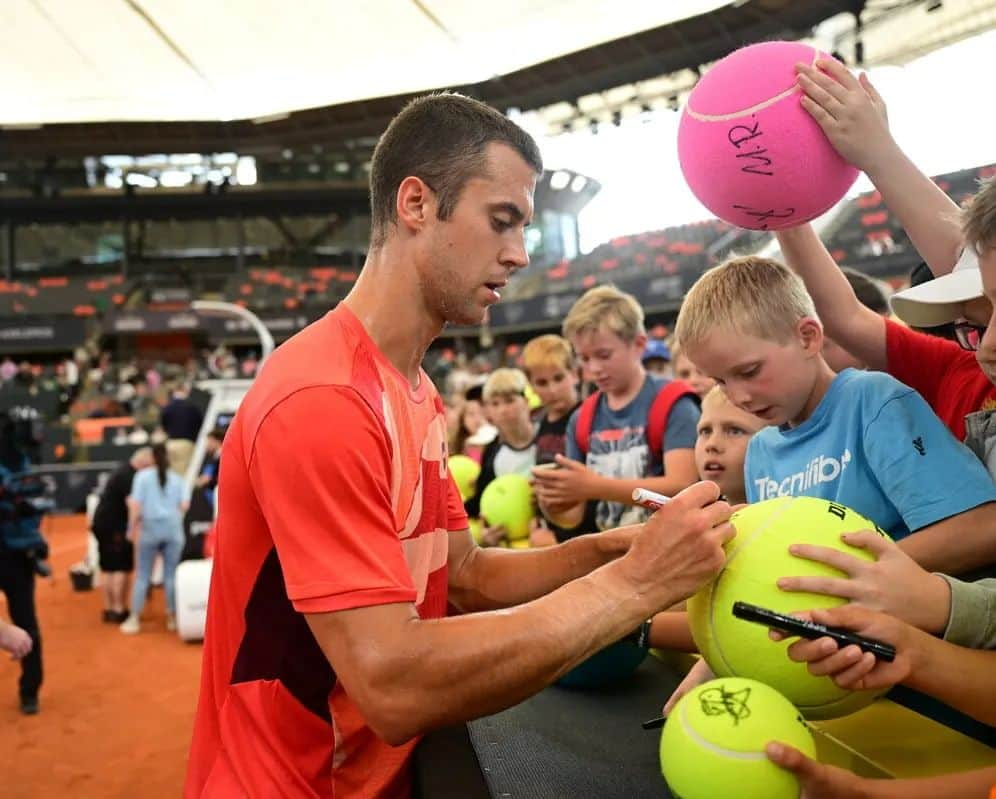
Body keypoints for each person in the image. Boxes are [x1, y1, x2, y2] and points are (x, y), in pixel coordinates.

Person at [184, 93, 734, 798]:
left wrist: (612, 549)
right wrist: (634, 586)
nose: (520, 253)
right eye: (501, 220)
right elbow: (393, 683)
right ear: (416, 203)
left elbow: (465, 575)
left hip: (368, 775)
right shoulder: (321, 398)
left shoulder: (413, 389)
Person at [674, 255, 996, 576]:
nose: (738, 397)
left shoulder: (873, 402)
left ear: (808, 337)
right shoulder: (759, 450)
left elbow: (977, 529)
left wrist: (837, 575)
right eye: (720, 381)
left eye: (750, 371)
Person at [532, 285, 700, 534]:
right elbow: (572, 517)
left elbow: (683, 486)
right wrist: (551, 501)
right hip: (611, 553)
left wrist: (596, 487)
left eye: (604, 355)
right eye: (585, 358)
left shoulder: (674, 403)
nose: (594, 368)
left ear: (638, 345)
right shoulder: (582, 418)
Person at [519, 334, 594, 546]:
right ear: (531, 386)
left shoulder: (589, 417)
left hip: (581, 537)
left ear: (574, 374)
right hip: (550, 528)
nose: (552, 390)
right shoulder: (540, 423)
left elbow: (597, 489)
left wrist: (561, 538)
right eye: (542, 382)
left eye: (558, 378)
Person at [0, 410, 48, 714]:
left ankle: (30, 690)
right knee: (25, 621)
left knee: (26, 622)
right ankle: (30, 690)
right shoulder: (19, 461)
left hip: (17, 553)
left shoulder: (19, 461)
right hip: (17, 552)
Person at [120, 443, 188, 635]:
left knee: (142, 575)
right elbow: (183, 505)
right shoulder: (177, 479)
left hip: (150, 529)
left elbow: (135, 506)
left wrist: (131, 529)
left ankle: (134, 618)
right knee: (170, 575)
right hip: (173, 529)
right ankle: (172, 618)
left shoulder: (142, 477)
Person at [464, 368, 538, 546]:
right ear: (488, 411)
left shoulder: (547, 439)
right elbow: (480, 501)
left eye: (510, 401)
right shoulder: (492, 452)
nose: (503, 410)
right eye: (495, 404)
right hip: (511, 543)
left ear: (526, 401)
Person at [91, 447, 154, 623]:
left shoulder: (122, 471)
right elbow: (132, 504)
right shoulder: (130, 476)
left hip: (103, 523)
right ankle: (119, 608)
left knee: (109, 567)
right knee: (120, 567)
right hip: (115, 527)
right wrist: (135, 526)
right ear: (144, 461)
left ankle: (110, 607)